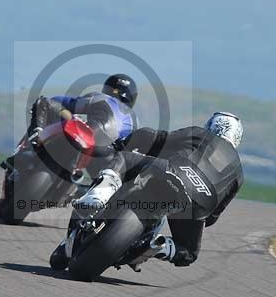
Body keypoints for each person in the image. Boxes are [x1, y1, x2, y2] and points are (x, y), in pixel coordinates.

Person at [50, 112, 244, 269]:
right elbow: (213, 217)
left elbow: (157, 138)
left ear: (212, 125)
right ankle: (159, 246)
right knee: (188, 253)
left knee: (124, 159)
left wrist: (124, 144)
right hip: (200, 203)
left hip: (172, 172)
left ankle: (102, 192)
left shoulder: (201, 133)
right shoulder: (239, 174)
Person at [0, 74, 138, 212]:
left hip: (84, 138)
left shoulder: (100, 98)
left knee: (43, 102)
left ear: (107, 89)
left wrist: (64, 111)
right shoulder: (134, 119)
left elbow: (63, 102)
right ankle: (92, 198)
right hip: (103, 154)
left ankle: (33, 140)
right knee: (109, 180)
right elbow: (129, 148)